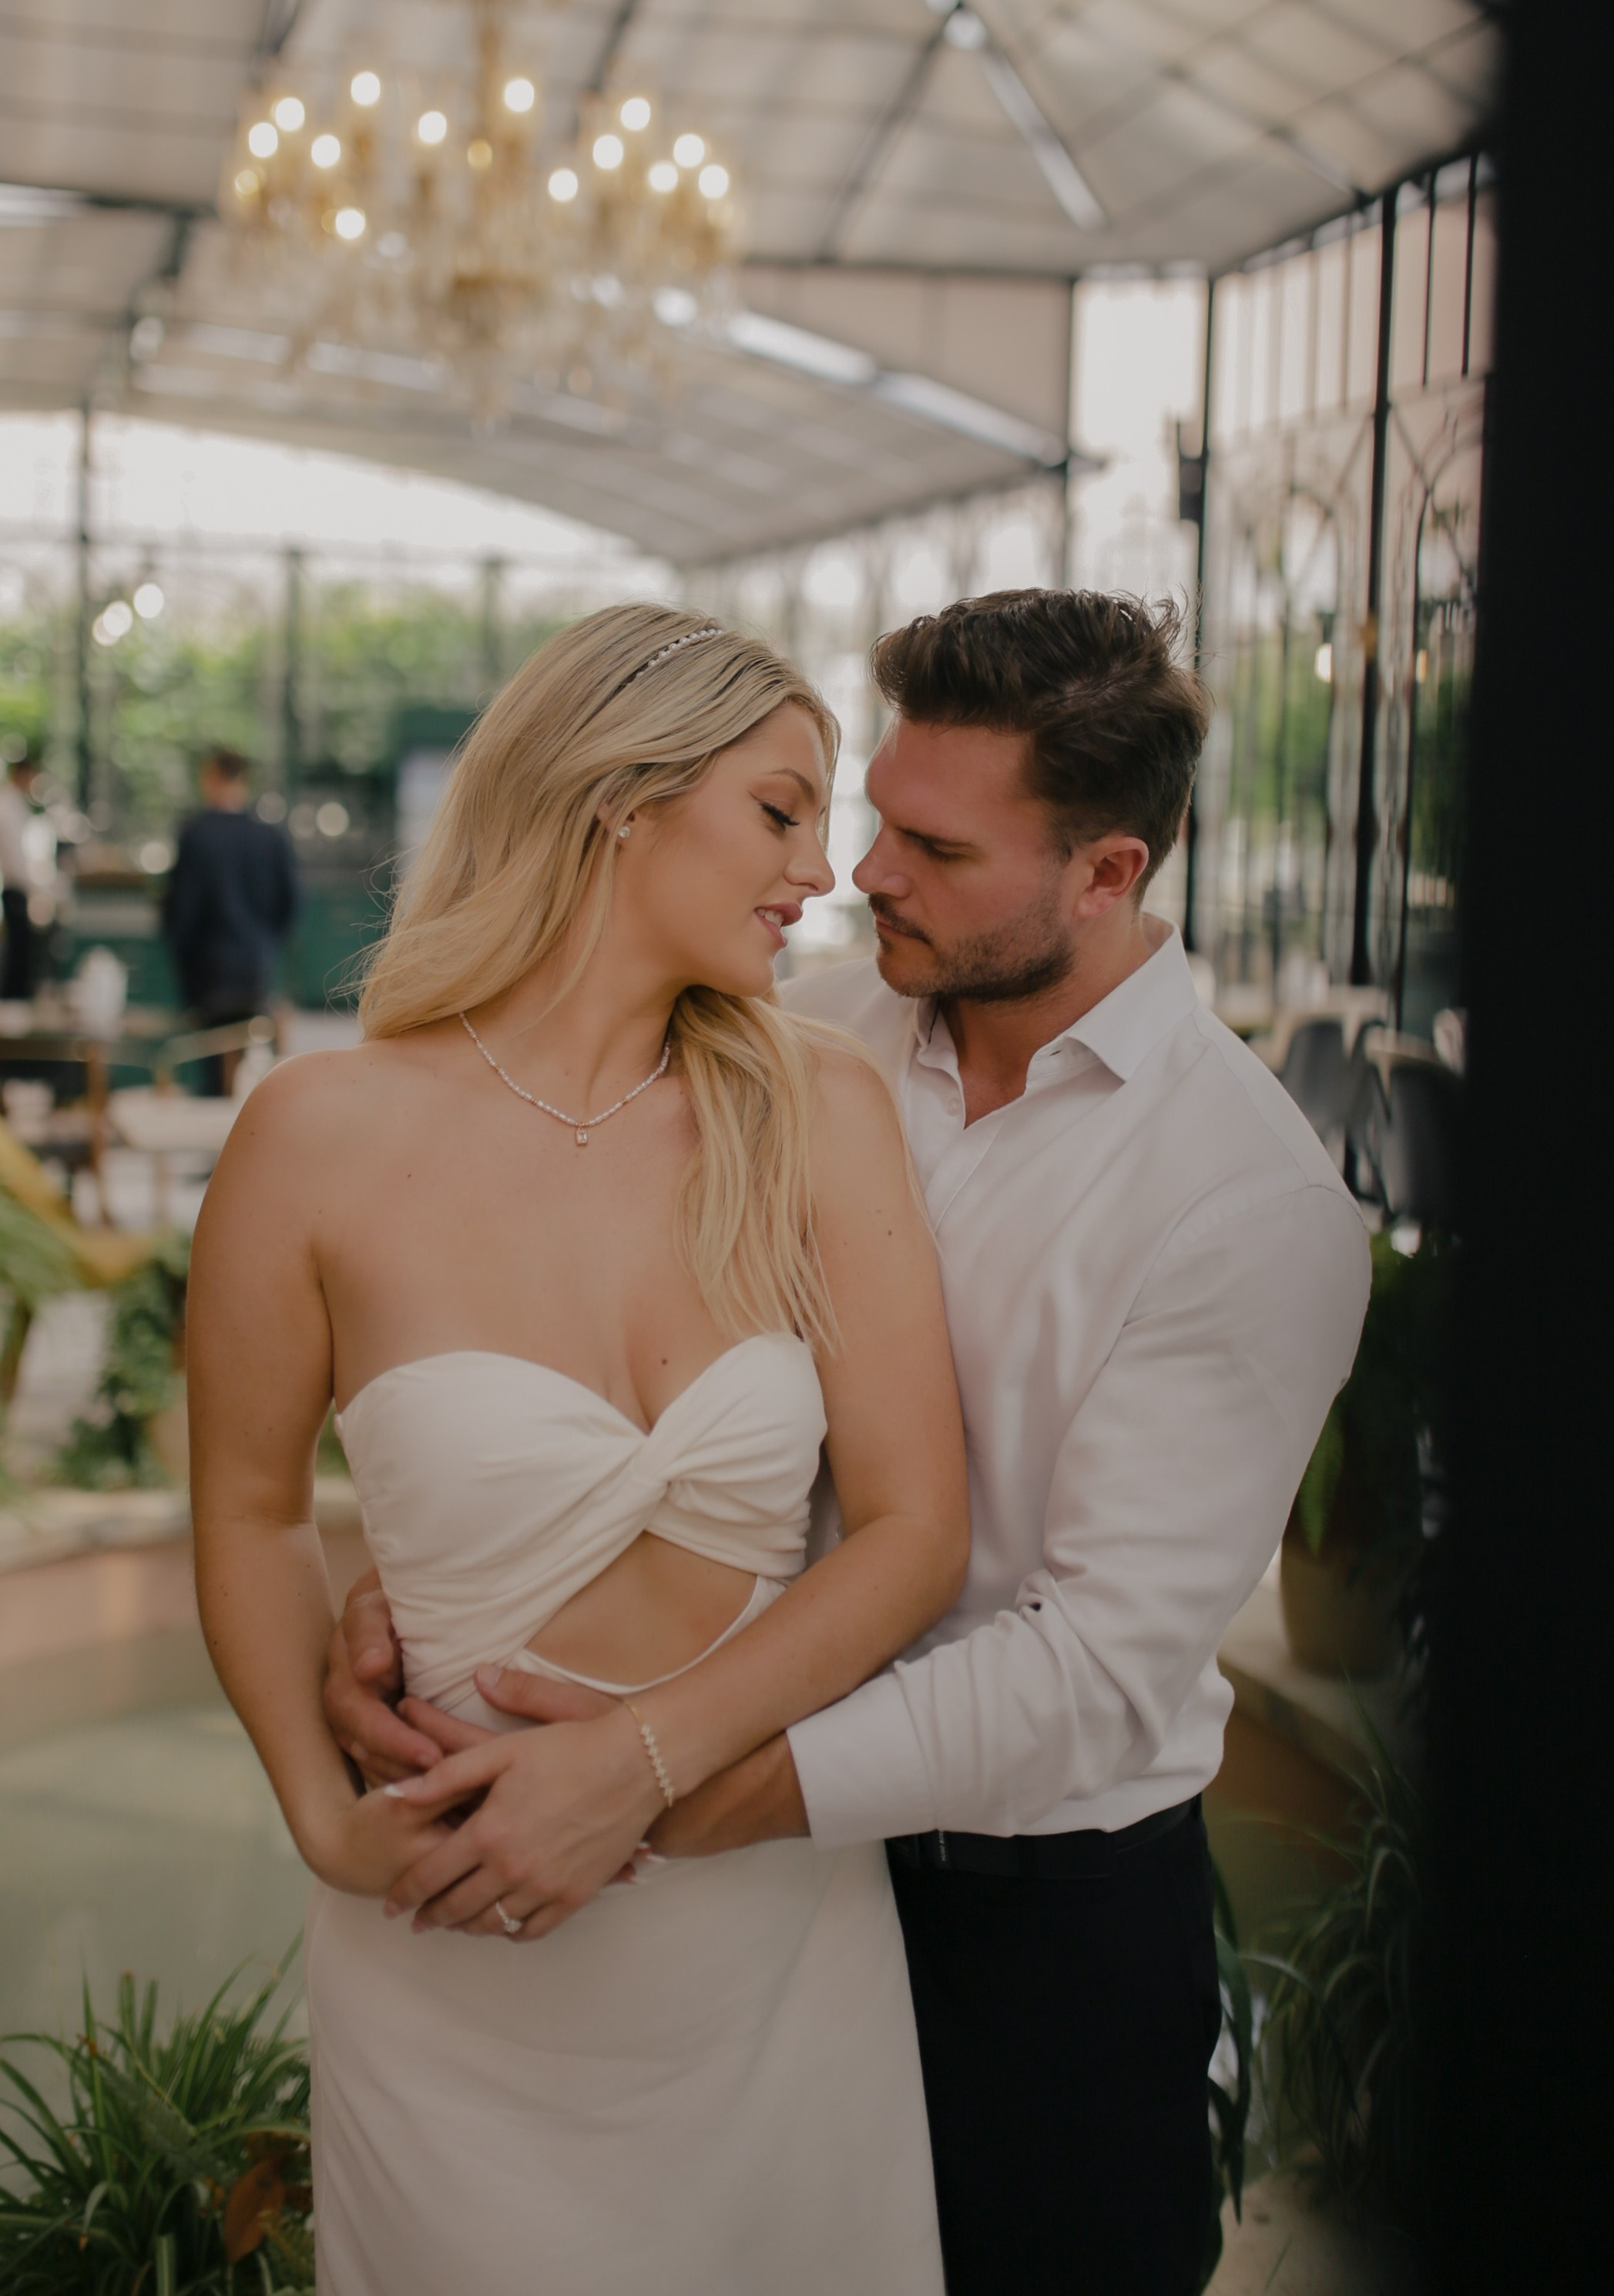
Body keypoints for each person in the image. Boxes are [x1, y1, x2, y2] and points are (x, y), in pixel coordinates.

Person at [330, 589, 1371, 2295]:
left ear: (1107, 875)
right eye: (873, 811)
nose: (864, 869)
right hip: (735, 1893)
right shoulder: (788, 1022)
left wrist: (646, 1785)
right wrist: (445, 1575)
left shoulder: (1245, 1210)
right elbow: (579, 1336)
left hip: (1024, 1926)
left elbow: (1094, 1671)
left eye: (936, 847)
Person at [188, 607, 968, 2296]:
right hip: (448, 1942)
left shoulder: (818, 1105)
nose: (820, 868)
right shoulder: (315, 1135)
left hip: (771, 1941)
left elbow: (914, 1531)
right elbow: (251, 1516)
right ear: (620, 795)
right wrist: (322, 1822)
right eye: (779, 809)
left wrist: (646, 1757)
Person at [163, 748, 298, 1072]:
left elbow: (183, 911)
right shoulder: (270, 837)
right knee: (250, 1065)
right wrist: (265, 944)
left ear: (210, 777)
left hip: (208, 973)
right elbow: (290, 904)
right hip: (256, 969)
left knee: (212, 1064)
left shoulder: (196, 836)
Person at [0, 747, 52, 1001]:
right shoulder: (7, 807)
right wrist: (35, 890)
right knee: (19, 955)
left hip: (20, 887)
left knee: (23, 954)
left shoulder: (16, 806)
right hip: (15, 888)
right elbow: (15, 859)